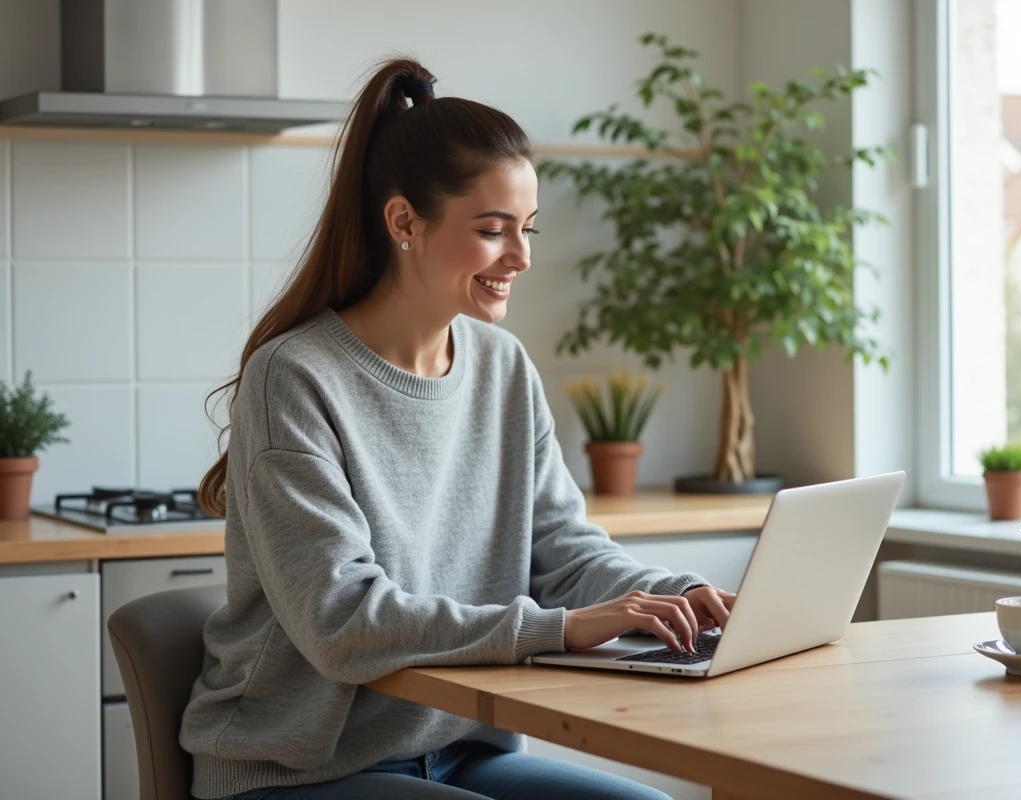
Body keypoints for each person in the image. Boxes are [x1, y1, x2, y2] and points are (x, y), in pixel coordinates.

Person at [179, 57, 737, 800]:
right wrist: (558, 628)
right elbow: (342, 620)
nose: (522, 257)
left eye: (527, 229)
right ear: (404, 222)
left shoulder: (502, 366)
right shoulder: (296, 377)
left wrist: (675, 595)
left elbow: (564, 553)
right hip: (298, 769)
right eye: (492, 230)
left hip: (458, 748)